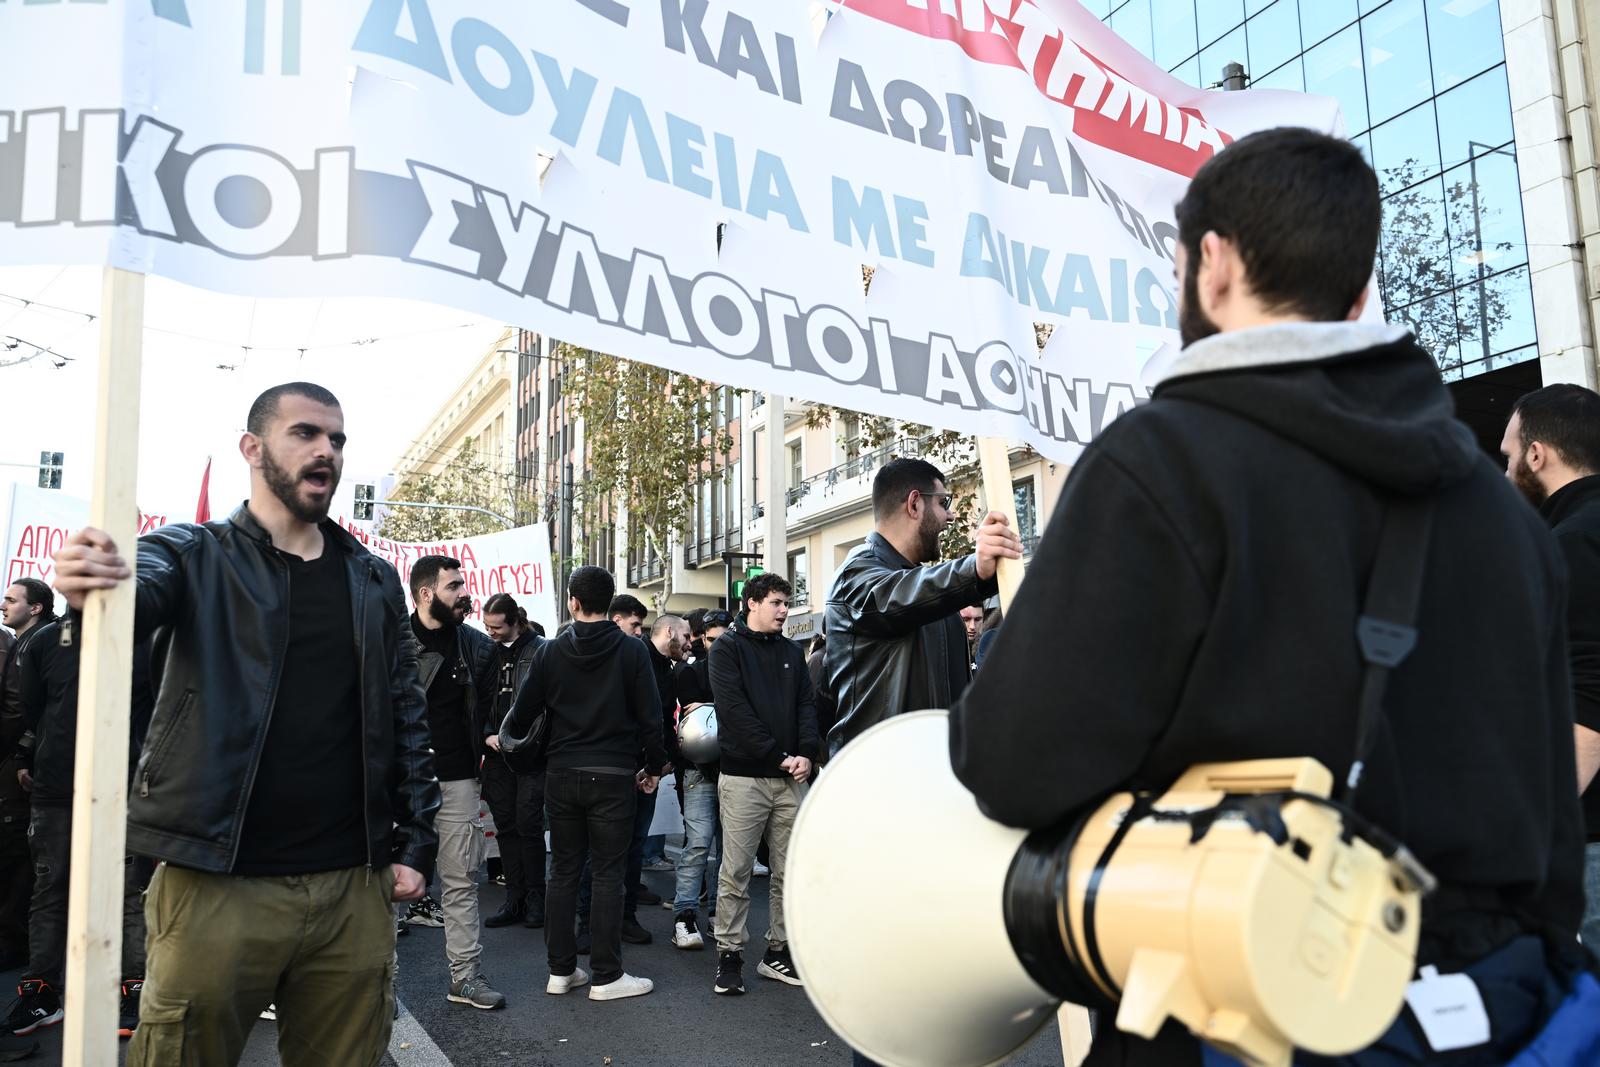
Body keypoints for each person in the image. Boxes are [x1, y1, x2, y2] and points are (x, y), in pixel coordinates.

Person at [950, 128, 1590, 1065]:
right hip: (1480, 1013)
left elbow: (1007, 765)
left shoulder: (1157, 466)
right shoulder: (1509, 520)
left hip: (1239, 1009)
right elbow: (1554, 833)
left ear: (1212, 265)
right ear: (1358, 294)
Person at [50, 382, 439, 1066]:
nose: (327, 450)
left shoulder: (372, 578)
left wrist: (415, 843)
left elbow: (405, 712)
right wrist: (96, 584)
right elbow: (134, 588)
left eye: (338, 439)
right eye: (306, 433)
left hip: (353, 887)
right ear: (252, 448)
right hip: (214, 884)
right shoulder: (194, 553)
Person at [503, 566, 667, 1002]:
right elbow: (652, 719)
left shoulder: (551, 653)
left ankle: (560, 971)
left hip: (561, 773)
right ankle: (606, 975)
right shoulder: (633, 652)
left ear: (573, 602)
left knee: (564, 871)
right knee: (609, 874)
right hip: (614, 776)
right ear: (611, 603)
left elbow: (520, 716)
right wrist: (654, 767)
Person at [6, 619, 154, 1040]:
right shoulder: (47, 640)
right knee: (51, 888)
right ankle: (42, 991)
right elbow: (34, 707)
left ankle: (133, 987)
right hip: (58, 787)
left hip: (124, 788)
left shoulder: (150, 634)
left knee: (129, 890)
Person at [823, 460, 1022, 757]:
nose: (951, 516)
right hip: (876, 781)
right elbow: (896, 596)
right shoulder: (855, 576)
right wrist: (974, 569)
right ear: (915, 504)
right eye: (944, 503)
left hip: (935, 778)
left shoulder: (935, 601)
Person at [1501, 383, 1600, 962]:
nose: (1508, 468)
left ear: (1538, 454)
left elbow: (1588, 698)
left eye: (1511, 455)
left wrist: (1535, 833)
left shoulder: (1574, 543)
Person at [709, 573, 819, 996]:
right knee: (735, 871)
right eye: (775, 602)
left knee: (789, 871)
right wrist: (779, 755)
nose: (783, 610)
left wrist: (807, 752)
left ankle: (779, 951)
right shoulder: (727, 649)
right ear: (752, 602)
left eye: (786, 603)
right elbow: (734, 712)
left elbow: (805, 707)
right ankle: (729, 955)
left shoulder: (793, 651)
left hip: (791, 778)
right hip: (744, 779)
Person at [407, 555, 501, 1010]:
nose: (465, 593)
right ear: (426, 594)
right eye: (454, 587)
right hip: (400, 781)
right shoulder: (390, 641)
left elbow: (484, 712)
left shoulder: (478, 648)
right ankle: (377, 983)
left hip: (458, 778)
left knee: (461, 880)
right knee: (384, 883)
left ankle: (465, 977)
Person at [480, 593, 547, 931]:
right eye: (486, 626)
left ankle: (536, 898)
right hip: (495, 755)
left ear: (515, 622)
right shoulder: (485, 650)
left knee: (529, 826)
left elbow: (549, 703)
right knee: (505, 827)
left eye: (496, 627)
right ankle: (515, 898)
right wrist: (486, 733)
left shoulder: (541, 649)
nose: (490, 632)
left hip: (531, 754)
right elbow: (475, 699)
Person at [0, 580, 52, 993]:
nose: (3, 605)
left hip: (25, 766)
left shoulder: (37, 643)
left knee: (19, 851)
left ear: (35, 608)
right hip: (21, 760)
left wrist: (17, 754)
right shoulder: (21, 642)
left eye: (11, 599)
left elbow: (26, 708)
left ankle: (14, 944)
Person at [671, 609, 732, 948]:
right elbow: (696, 713)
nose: (717, 645)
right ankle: (684, 915)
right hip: (698, 769)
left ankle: (717, 915)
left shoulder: (742, 671)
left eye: (723, 638)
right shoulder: (689, 671)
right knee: (697, 845)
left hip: (736, 769)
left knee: (728, 850)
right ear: (701, 639)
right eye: (711, 639)